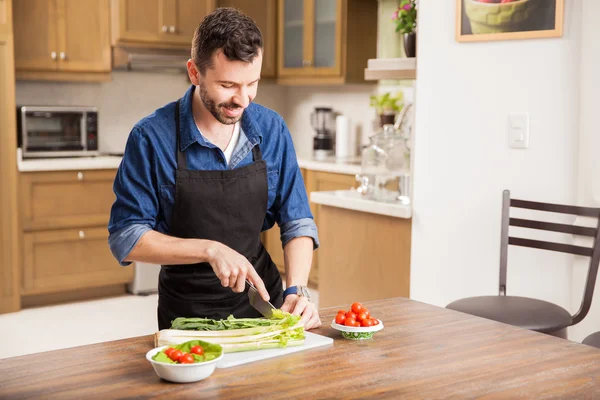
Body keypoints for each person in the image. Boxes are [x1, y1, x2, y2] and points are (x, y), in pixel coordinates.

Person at [108, 7, 321, 331]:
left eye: (253, 83)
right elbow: (126, 236)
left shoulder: (272, 128)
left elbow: (298, 221)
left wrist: (298, 290)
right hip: (188, 316)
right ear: (194, 73)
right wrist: (209, 249)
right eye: (228, 85)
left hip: (265, 308)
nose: (243, 99)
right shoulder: (151, 137)